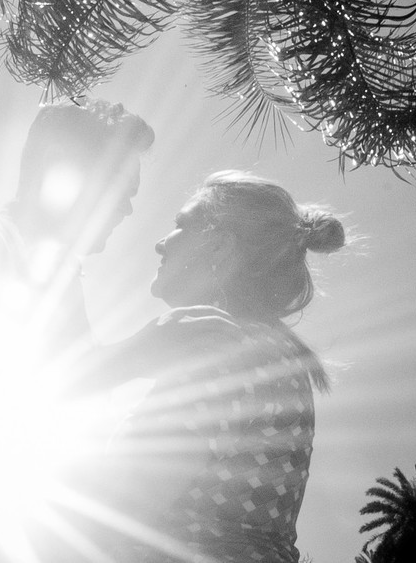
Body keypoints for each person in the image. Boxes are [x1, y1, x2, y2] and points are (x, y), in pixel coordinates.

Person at [75, 171, 346, 563]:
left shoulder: (219, 347)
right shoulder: (273, 354)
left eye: (181, 225)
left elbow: (115, 511)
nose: (161, 243)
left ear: (219, 246)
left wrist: (128, 358)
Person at [0, 98, 155, 354]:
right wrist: (147, 349)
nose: (127, 208)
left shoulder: (62, 284)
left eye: (130, 195)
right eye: (117, 187)